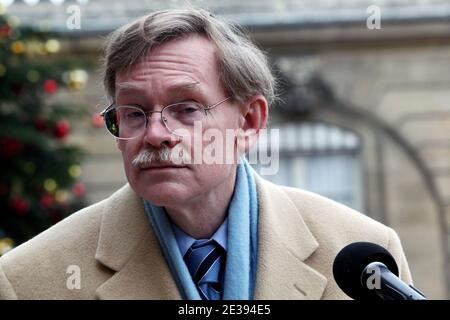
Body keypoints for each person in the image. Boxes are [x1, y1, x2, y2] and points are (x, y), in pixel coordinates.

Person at [0, 8, 412, 300]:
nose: (156, 134)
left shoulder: (367, 256)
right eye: (134, 113)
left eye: (186, 109)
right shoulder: (29, 279)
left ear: (249, 121)